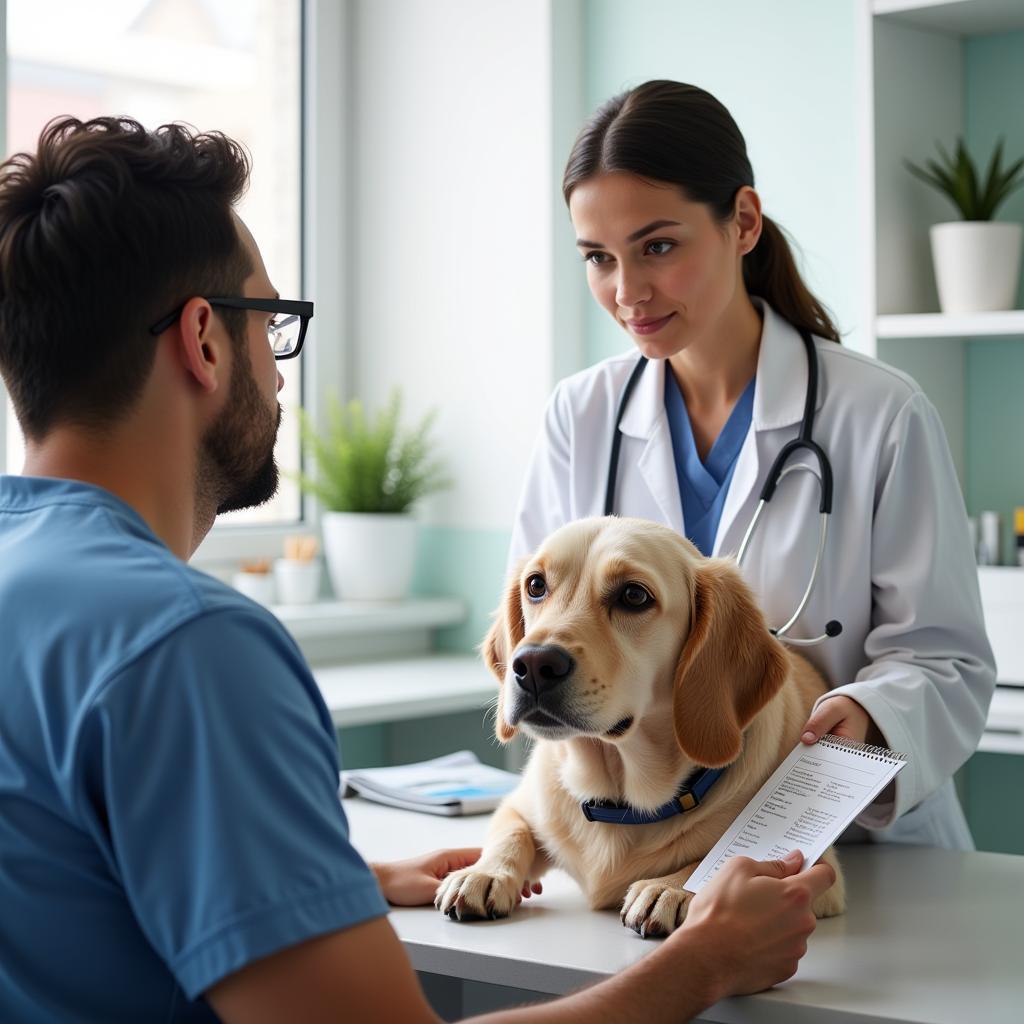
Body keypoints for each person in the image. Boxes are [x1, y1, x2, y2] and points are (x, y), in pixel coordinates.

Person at [0, 116, 835, 1023]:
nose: (280, 381)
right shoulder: (190, 648)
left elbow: (67, 877)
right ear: (203, 341)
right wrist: (702, 965)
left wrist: (321, 884)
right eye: (273, 324)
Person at [510, 80, 995, 850]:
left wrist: (873, 715)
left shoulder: (880, 413)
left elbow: (948, 662)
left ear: (741, 222)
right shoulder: (582, 415)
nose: (628, 292)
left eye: (658, 247)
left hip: (847, 847)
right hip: (649, 854)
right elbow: (534, 628)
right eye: (599, 258)